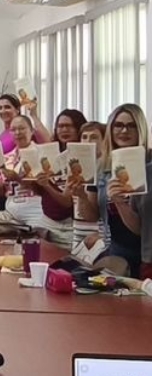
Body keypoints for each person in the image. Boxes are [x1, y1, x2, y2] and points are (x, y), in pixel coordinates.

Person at [75, 104, 149, 275]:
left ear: (141, 129)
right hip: (117, 249)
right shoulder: (102, 166)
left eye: (131, 126)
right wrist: (81, 195)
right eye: (118, 125)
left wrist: (120, 202)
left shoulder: (149, 166)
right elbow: (91, 216)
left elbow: (142, 229)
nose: (124, 131)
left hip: (146, 253)